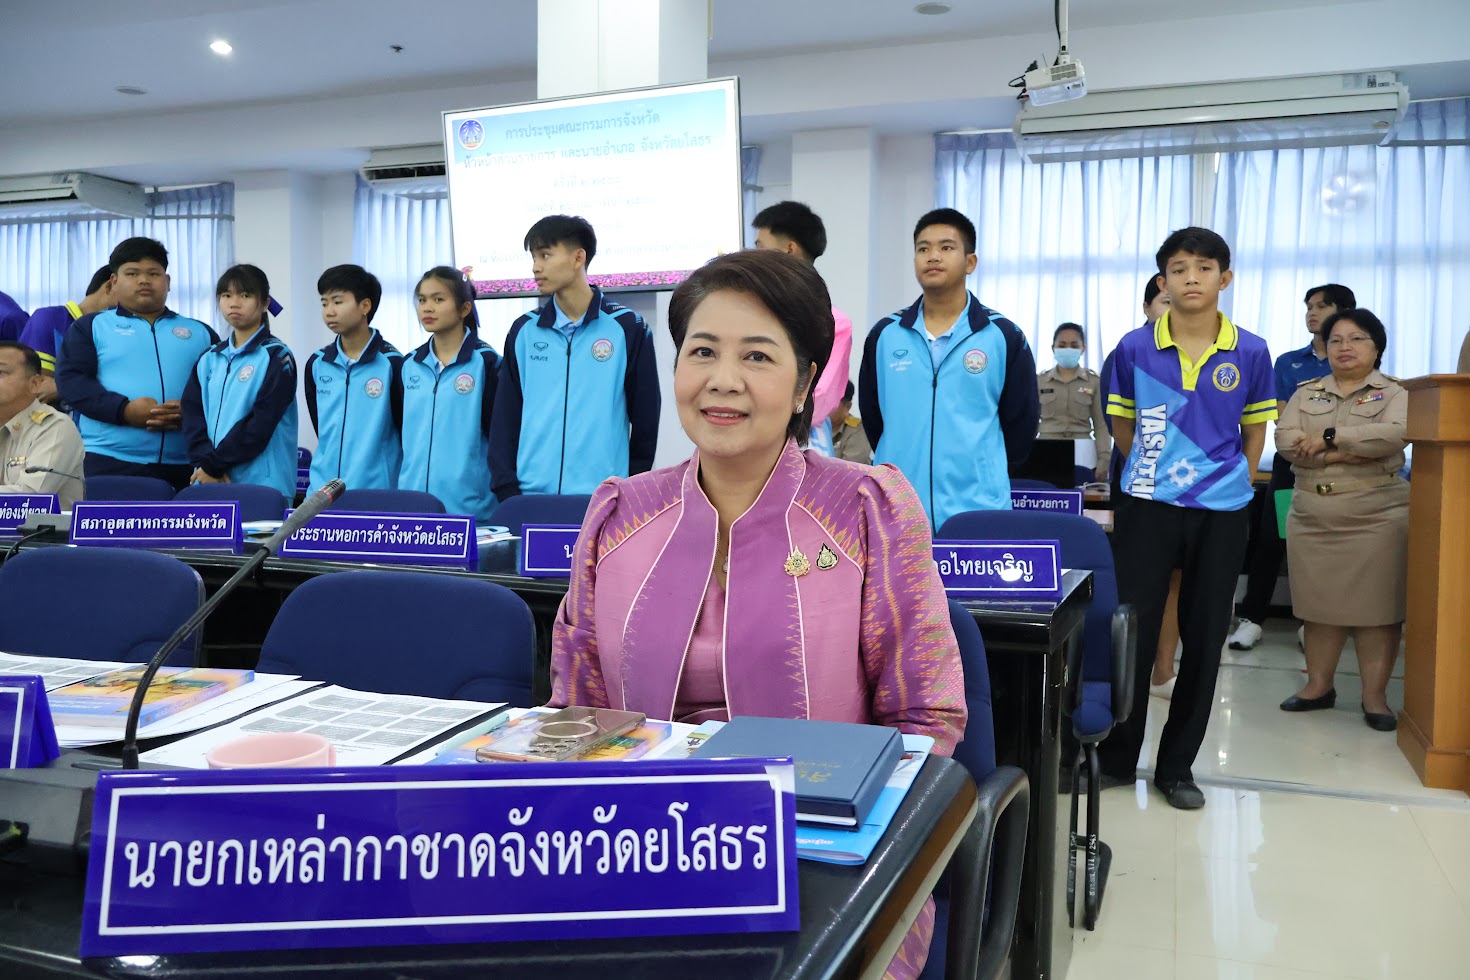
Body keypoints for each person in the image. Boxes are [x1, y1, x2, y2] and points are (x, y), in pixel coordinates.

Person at [550, 249, 965, 980]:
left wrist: (835, 850)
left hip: (826, 866)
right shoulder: (619, 512)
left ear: (807, 380)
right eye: (702, 351)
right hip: (638, 851)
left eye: (758, 356)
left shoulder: (865, 508)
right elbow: (574, 707)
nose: (723, 380)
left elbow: (927, 718)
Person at [1099, 227, 1276, 810]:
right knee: (1132, 633)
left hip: (1221, 510)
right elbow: (1121, 426)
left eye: (1204, 268)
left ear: (1224, 278)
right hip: (1148, 507)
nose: (1191, 278)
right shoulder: (1133, 347)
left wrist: (1236, 480)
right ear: (1163, 281)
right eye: (1178, 268)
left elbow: (1256, 429)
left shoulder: (1250, 350)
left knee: (1203, 637)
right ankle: (1118, 760)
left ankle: (1177, 768)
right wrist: (1152, 469)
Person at [858, 208, 1039, 529]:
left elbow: (1021, 423)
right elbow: (874, 416)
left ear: (970, 262)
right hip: (897, 509)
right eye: (923, 248)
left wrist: (984, 470)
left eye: (946, 247)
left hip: (980, 508)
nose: (932, 256)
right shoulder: (885, 335)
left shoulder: (1003, 336)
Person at [1274, 309, 1408, 731]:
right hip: (1311, 515)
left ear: (1377, 347)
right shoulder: (1305, 392)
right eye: (1336, 340)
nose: (1345, 347)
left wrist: (1331, 438)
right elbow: (1285, 441)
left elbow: (1396, 435)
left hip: (1378, 516)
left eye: (1357, 338)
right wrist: (1351, 452)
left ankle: (1374, 699)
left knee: (1378, 612)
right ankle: (1318, 687)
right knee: (1317, 609)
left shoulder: (1396, 393)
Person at [491, 215, 659, 500]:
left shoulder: (628, 328)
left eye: (545, 255)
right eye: (533, 257)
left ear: (578, 257)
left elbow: (645, 417)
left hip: (603, 497)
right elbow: (506, 414)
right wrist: (506, 487)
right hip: (529, 496)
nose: (536, 267)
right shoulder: (524, 331)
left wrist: (628, 484)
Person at [1228, 284, 1355, 651]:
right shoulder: (1288, 362)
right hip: (1293, 467)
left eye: (1321, 306)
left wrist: (1328, 439)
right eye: (1308, 307)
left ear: (1344, 311)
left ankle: (1314, 621)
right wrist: (1324, 436)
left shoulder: (1351, 358)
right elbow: (1284, 415)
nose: (1311, 313)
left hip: (1338, 469)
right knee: (1276, 538)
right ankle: (1252, 619)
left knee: (1324, 543)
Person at [56, 237, 217, 491]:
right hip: (108, 461)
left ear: (168, 282)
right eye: (132, 273)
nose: (144, 280)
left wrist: (192, 411)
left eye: (154, 273)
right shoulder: (90, 327)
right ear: (113, 283)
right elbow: (72, 383)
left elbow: (219, 390)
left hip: (188, 464)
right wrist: (125, 410)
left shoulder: (201, 332)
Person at [1103, 277, 1180, 698]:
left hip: (1193, 489)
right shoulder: (1127, 353)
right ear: (1147, 306)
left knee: (1176, 583)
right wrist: (1153, 469)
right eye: (1164, 301)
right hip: (1139, 484)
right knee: (1139, 582)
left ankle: (1164, 670)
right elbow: (1118, 424)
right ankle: (1128, 674)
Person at [180, 264, 298, 498]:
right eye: (226, 295)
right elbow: (192, 416)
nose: (234, 303)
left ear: (265, 303)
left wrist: (214, 465)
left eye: (245, 295)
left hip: (263, 485)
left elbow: (261, 423)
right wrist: (206, 465)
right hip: (209, 480)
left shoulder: (278, 356)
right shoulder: (209, 357)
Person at [398, 266, 500, 522]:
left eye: (438, 299)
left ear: (464, 308)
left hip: (469, 508)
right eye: (422, 300)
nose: (427, 308)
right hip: (412, 505)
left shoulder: (487, 363)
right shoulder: (409, 364)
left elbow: (499, 436)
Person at [752, 201, 853, 455]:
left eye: (760, 247)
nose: (753, 256)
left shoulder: (834, 323)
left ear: (788, 251)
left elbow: (819, 401)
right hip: (750, 443)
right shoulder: (751, 316)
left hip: (805, 446)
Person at [305, 264, 402, 491]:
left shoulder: (393, 363)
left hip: (376, 490)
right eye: (324, 303)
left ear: (365, 306)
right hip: (322, 489)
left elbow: (402, 428)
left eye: (338, 302)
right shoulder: (317, 363)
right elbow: (322, 426)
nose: (329, 311)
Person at [0, 341, 85, 510]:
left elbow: (31, 498)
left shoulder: (55, 427)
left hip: (40, 535)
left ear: (35, 384)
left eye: (1, 372)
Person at [18, 265, 114, 404]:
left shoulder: (125, 330)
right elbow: (38, 387)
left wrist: (62, 387)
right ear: (110, 286)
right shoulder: (51, 319)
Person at [1037, 322, 1109, 486]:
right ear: (1053, 348)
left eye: (1073, 345)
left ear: (1082, 349)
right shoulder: (1040, 381)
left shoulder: (1094, 382)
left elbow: (1101, 425)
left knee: (1082, 503)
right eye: (1062, 345)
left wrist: (1104, 460)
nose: (1067, 349)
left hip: (1083, 452)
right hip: (1046, 450)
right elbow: (1030, 423)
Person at [830, 380, 873, 464]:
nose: (826, 407)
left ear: (847, 407)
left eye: (832, 403)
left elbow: (847, 470)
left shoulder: (858, 430)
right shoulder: (816, 427)